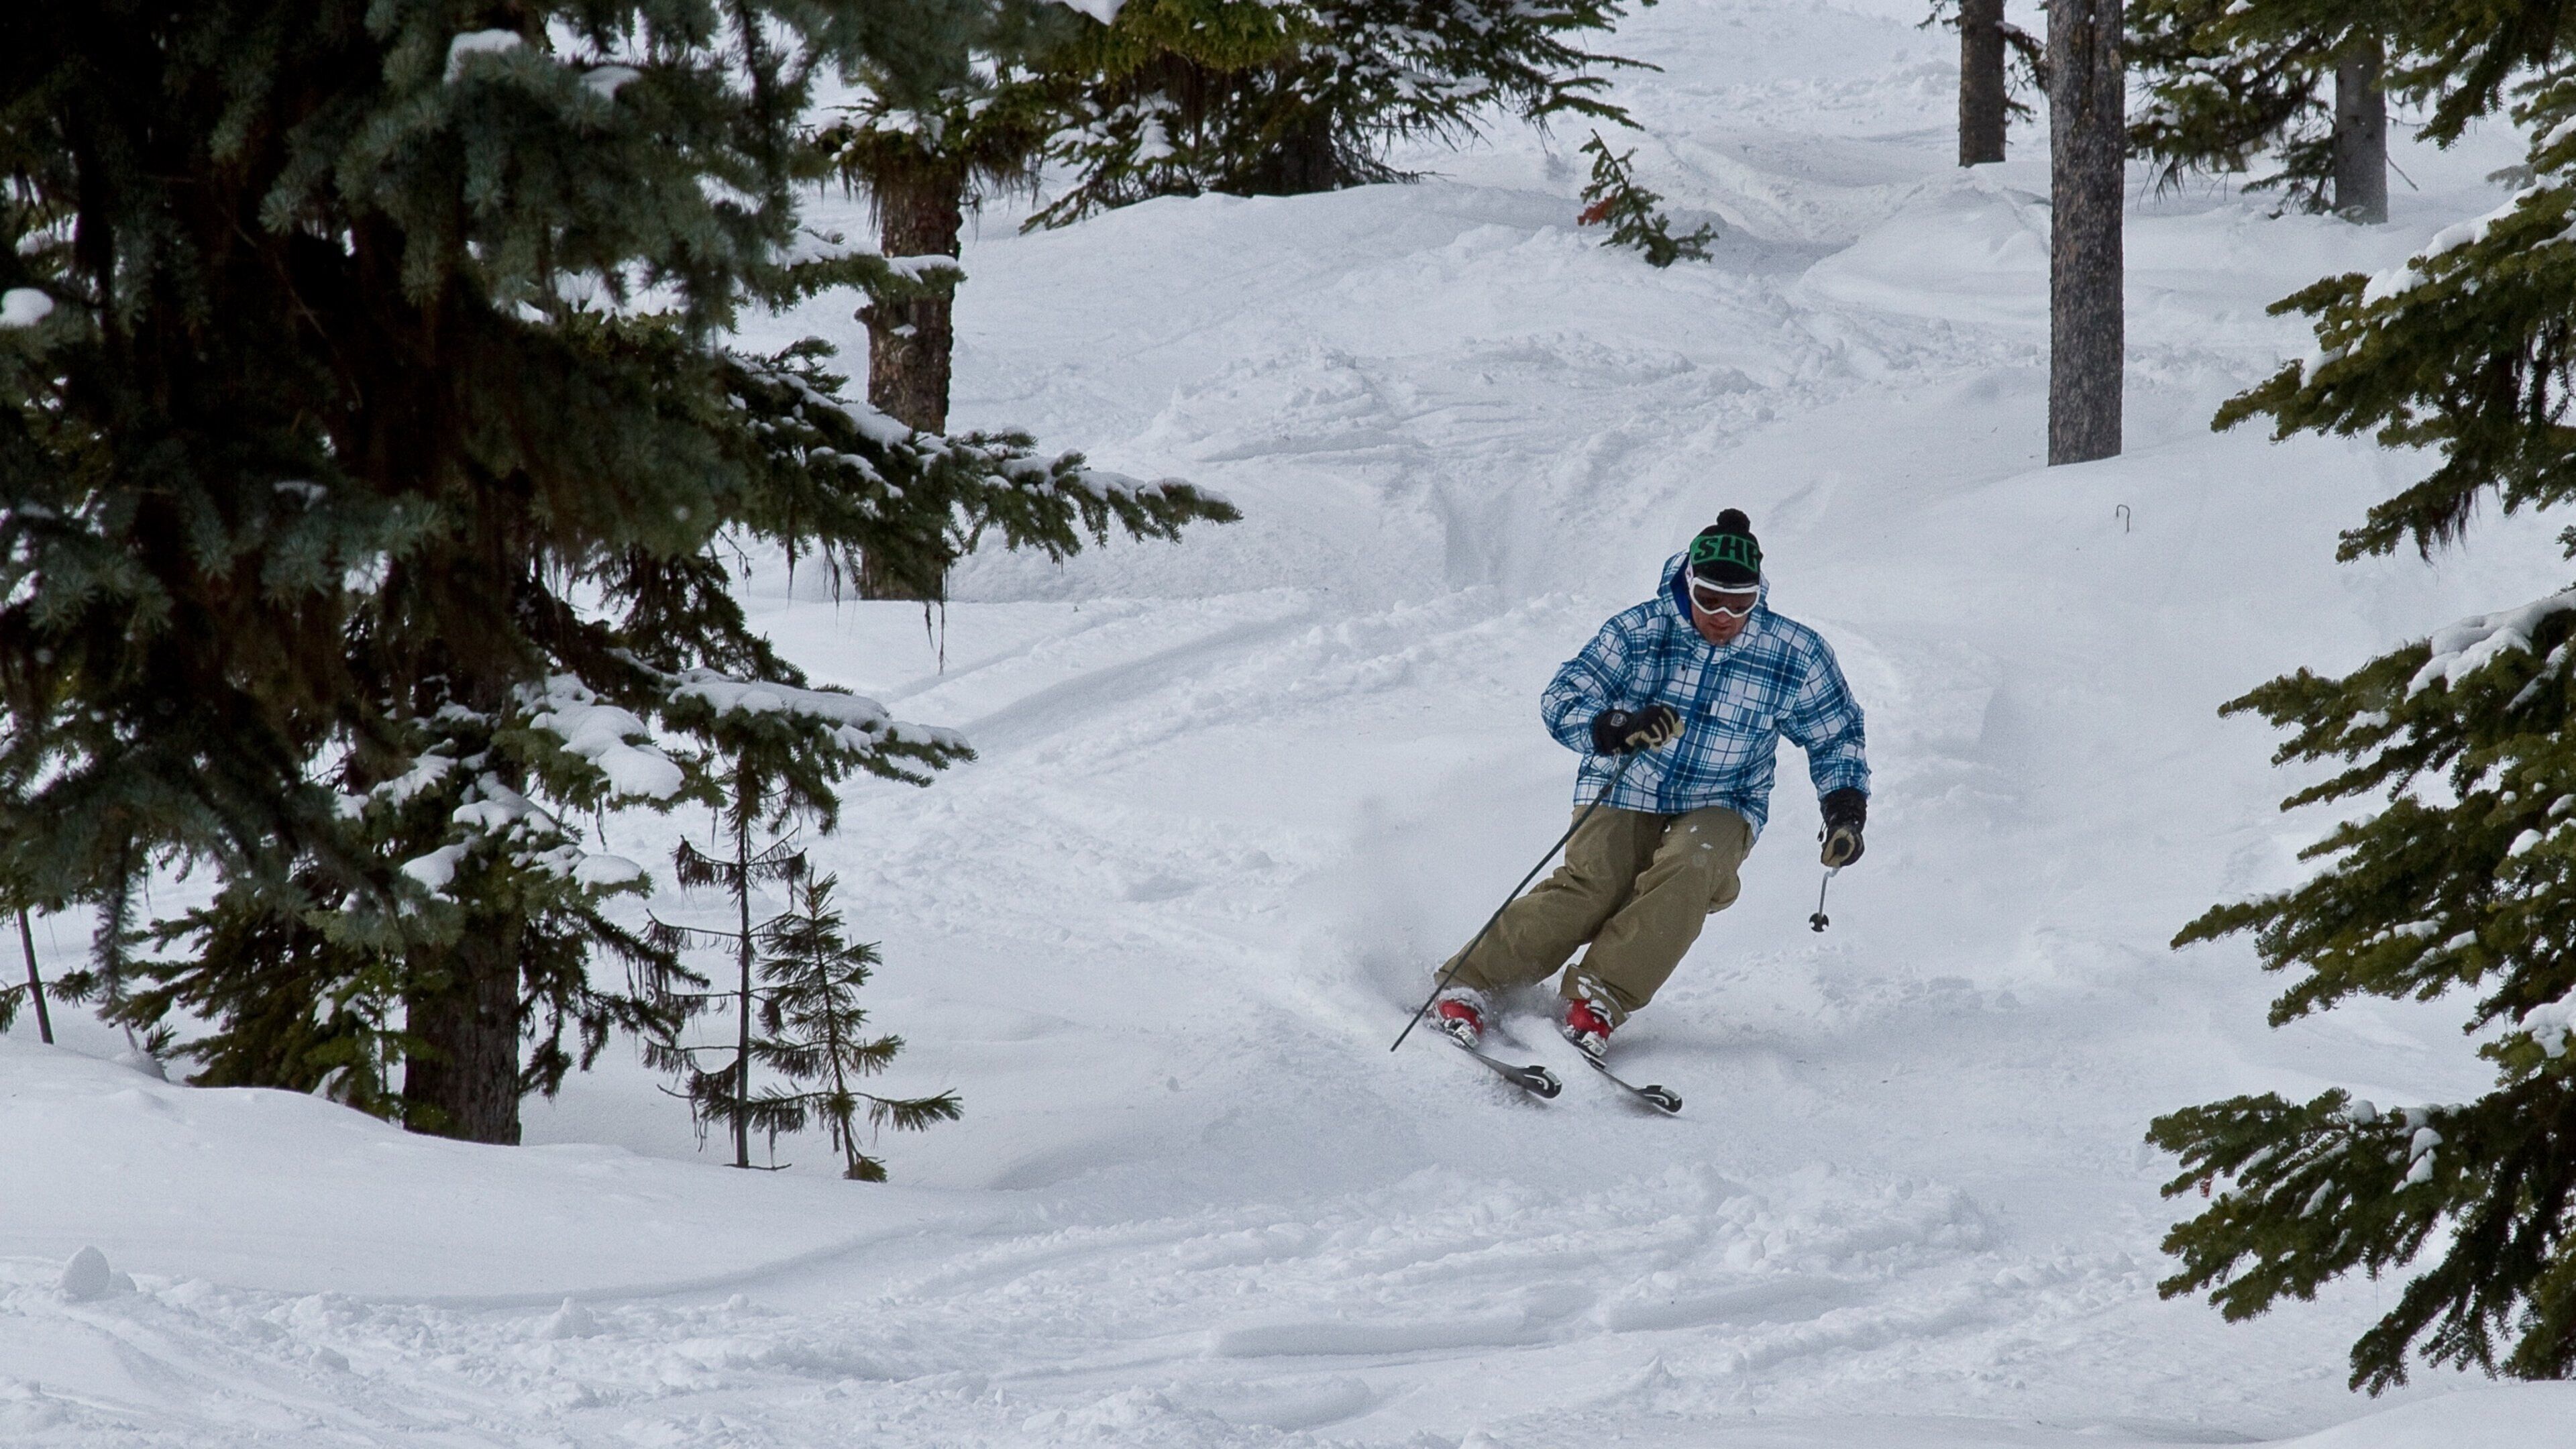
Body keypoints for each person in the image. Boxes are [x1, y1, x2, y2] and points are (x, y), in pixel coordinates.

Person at [1431, 508, 1870, 1058]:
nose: (1725, 616)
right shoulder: (1637, 632)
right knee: (1596, 886)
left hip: (1725, 795)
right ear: (1688, 582)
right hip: (1628, 781)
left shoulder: (1796, 653)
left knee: (1690, 867)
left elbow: (1837, 735)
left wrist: (1844, 808)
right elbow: (1561, 699)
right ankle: (1472, 980)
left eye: (1741, 604)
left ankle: (1598, 996)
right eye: (1710, 598)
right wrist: (1616, 727)